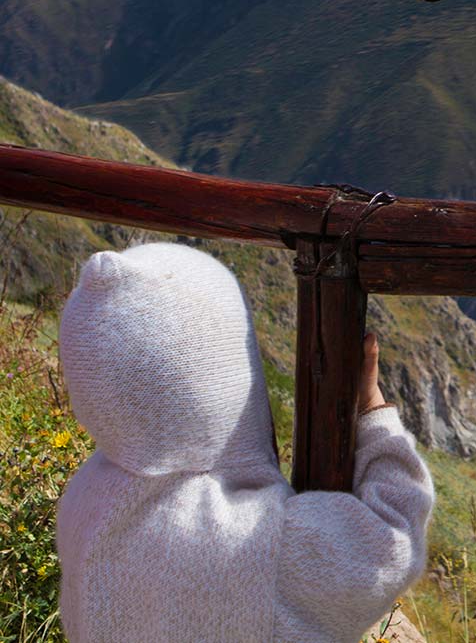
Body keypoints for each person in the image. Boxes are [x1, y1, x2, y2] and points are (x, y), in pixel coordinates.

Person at [55, 242, 434, 643]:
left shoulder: (85, 498)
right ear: (225, 381)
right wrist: (373, 412)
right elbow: (394, 538)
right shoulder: (263, 547)